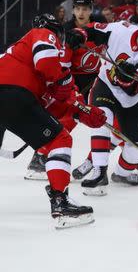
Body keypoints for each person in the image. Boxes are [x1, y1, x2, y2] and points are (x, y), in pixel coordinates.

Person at [0, 13, 106, 228]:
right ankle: (61, 203)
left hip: (12, 96)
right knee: (60, 139)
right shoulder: (42, 34)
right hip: (12, 93)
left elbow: (54, 102)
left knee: (55, 133)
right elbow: (49, 67)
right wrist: (64, 82)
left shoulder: (22, 57)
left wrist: (82, 111)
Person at [73, 10, 138, 196]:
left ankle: (122, 174)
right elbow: (94, 30)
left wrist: (125, 77)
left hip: (132, 99)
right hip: (105, 85)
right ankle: (99, 172)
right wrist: (80, 34)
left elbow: (130, 88)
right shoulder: (120, 29)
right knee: (101, 119)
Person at [25, 0, 107, 180]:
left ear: (91, 10)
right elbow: (61, 67)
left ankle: (96, 160)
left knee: (105, 119)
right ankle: (40, 156)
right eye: (77, 8)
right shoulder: (67, 32)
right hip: (72, 82)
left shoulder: (100, 29)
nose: (81, 13)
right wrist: (70, 89)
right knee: (70, 118)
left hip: (96, 82)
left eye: (85, 9)